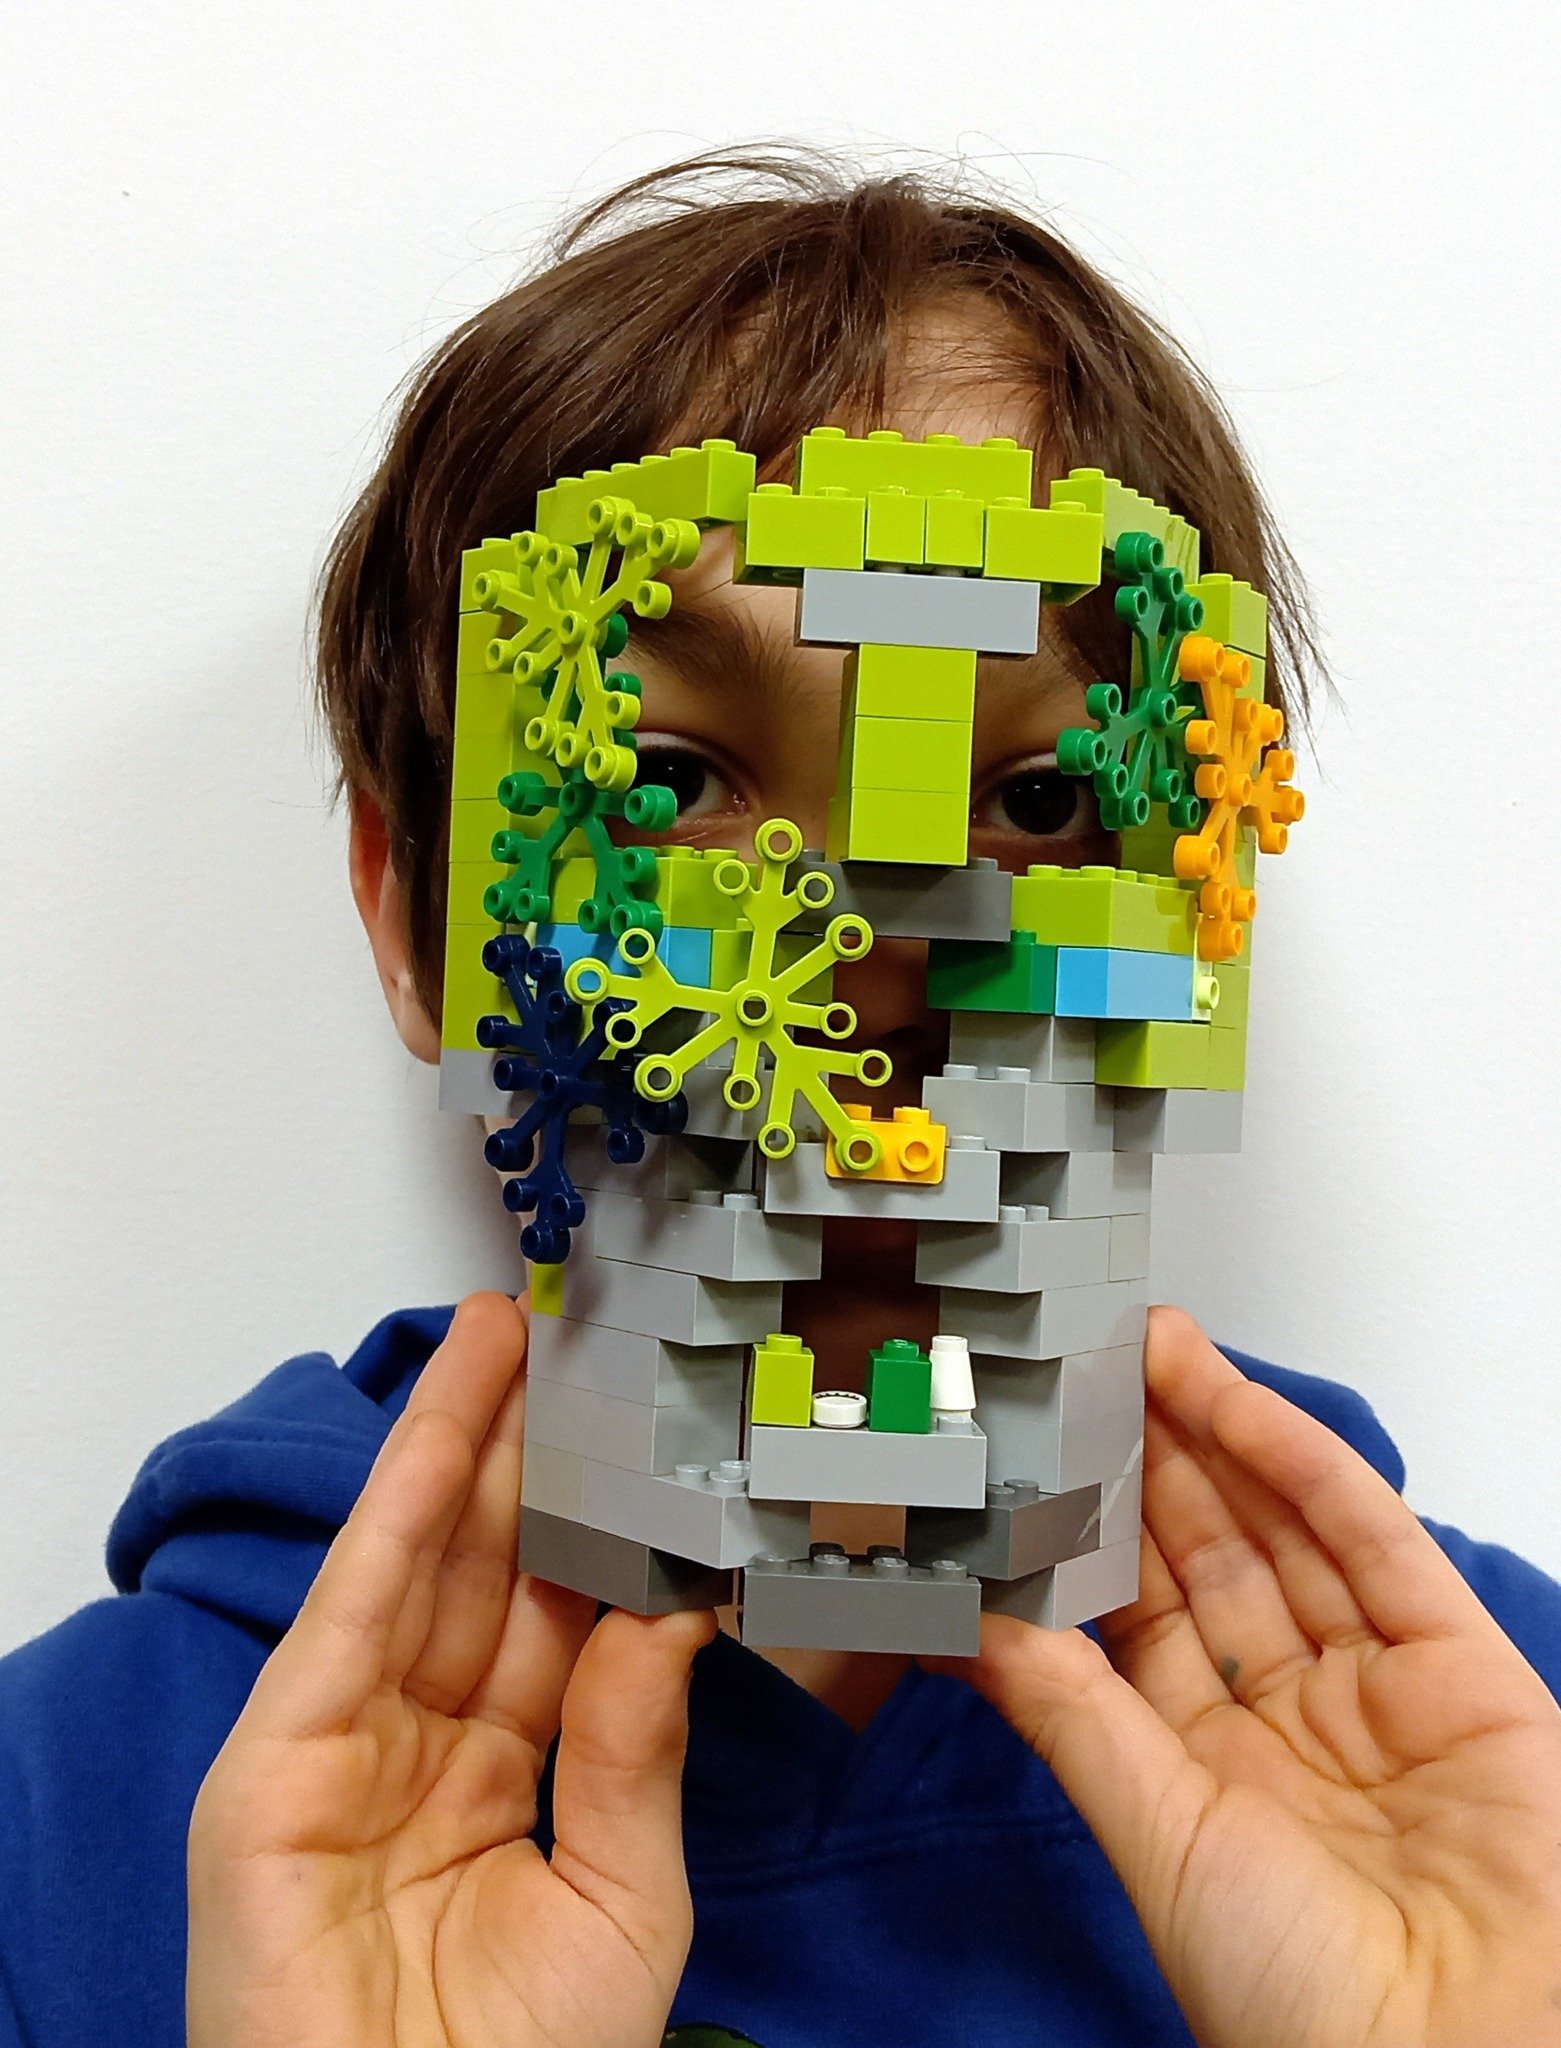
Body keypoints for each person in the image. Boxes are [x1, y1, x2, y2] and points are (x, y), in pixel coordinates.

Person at [4, 153, 1559, 2048]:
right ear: (413, 918)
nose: (870, 972)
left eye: (1044, 803)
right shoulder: (62, 1824)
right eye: (668, 787)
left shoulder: (1506, 1770)